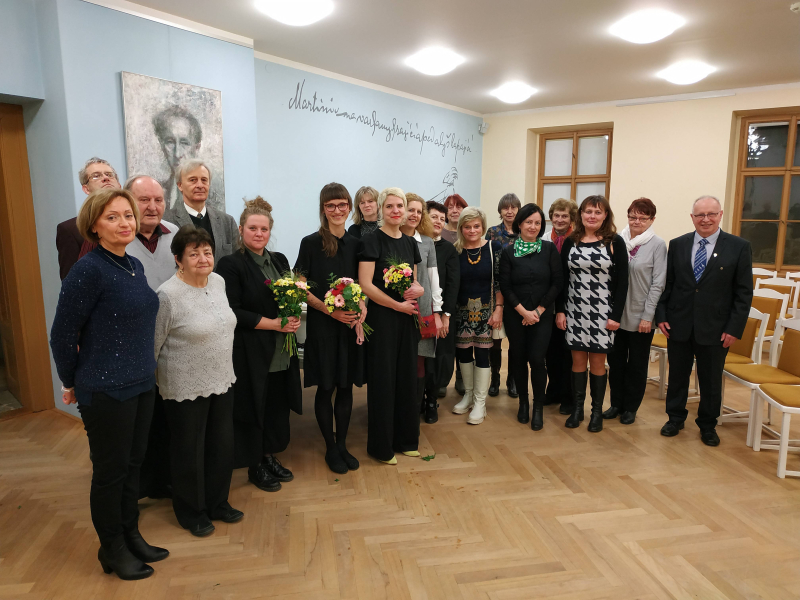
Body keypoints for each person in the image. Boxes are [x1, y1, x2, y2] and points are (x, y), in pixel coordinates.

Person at [50, 188, 167, 580]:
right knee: (110, 473)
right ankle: (111, 548)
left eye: (128, 215)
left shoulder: (132, 264)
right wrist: (70, 380)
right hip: (104, 389)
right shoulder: (88, 270)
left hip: (141, 382)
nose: (124, 223)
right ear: (94, 226)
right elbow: (62, 334)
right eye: (112, 217)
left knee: (133, 466)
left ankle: (131, 534)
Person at [154, 226, 242, 537]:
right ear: (178, 260)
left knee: (221, 445)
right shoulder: (167, 295)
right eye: (194, 254)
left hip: (222, 378)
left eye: (207, 252)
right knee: (188, 451)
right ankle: (191, 512)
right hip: (184, 385)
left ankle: (218, 503)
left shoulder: (218, 282)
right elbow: (154, 344)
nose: (203, 258)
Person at [216, 197, 302, 491]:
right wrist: (275, 324)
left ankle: (268, 456)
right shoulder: (230, 264)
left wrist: (292, 316)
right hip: (251, 350)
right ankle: (254, 465)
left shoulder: (279, 260)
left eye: (264, 229)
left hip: (281, 349)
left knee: (276, 406)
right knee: (254, 406)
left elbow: (290, 297)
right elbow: (232, 311)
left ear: (270, 231)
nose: (258, 233)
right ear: (241, 230)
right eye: (252, 228)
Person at [656, 195, 753, 446]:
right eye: (700, 215)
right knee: (677, 376)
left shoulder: (739, 246)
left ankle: (708, 425)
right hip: (678, 323)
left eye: (711, 214)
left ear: (720, 215)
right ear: (692, 217)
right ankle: (675, 418)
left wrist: (734, 328)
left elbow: (744, 293)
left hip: (716, 328)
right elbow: (669, 284)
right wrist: (661, 315)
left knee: (710, 379)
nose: (705, 219)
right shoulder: (678, 244)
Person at [295, 183, 365, 474]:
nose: (337, 210)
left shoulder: (358, 244)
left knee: (345, 387)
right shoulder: (310, 243)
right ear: (323, 209)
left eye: (342, 204)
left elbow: (363, 285)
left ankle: (343, 444)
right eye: (330, 205)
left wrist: (361, 311)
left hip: (349, 327)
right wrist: (329, 311)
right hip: (323, 327)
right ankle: (330, 447)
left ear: (350, 207)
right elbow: (299, 286)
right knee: (326, 387)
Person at [358, 187, 424, 464]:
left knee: (407, 380)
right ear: (381, 210)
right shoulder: (371, 240)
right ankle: (381, 447)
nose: (396, 211)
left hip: (407, 319)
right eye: (390, 206)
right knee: (384, 381)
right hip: (383, 319)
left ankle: (406, 440)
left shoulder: (410, 244)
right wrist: (397, 305)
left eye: (400, 206)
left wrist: (419, 290)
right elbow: (365, 284)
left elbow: (415, 282)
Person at [556, 195, 628, 433]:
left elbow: (623, 283)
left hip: (602, 312)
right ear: (581, 214)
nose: (592, 216)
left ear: (605, 215)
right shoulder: (571, 241)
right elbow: (562, 280)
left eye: (598, 212)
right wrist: (560, 311)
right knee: (577, 361)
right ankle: (578, 410)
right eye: (588, 211)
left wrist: (615, 316)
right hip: (575, 311)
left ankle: (596, 412)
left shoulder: (615, 242)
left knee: (597, 363)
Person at [499, 204, 562, 430]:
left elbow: (557, 283)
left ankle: (538, 407)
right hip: (515, 315)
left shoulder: (549, 249)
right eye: (529, 222)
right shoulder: (508, 251)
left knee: (537, 359)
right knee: (518, 358)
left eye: (537, 223)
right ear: (520, 224)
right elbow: (505, 286)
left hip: (542, 315)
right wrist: (523, 312)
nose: (533, 227)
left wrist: (538, 311)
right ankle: (523, 403)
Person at [604, 199, 667, 425]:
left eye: (642, 218)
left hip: (641, 315)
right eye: (632, 217)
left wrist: (648, 316)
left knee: (637, 365)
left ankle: (631, 408)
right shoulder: (617, 240)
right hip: (615, 314)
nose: (636, 221)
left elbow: (658, 283)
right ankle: (616, 404)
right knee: (616, 362)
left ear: (652, 220)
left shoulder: (657, 245)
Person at [451, 207, 504, 425]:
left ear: (483, 227)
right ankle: (468, 395)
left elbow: (500, 281)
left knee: (482, 355)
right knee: (463, 354)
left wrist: (499, 308)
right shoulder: (455, 250)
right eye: (467, 226)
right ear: (460, 228)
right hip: (461, 312)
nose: (472, 230)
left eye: (476, 226)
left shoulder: (493, 247)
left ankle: (480, 402)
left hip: (487, 312)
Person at [401, 194, 443, 425]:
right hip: (396, 309)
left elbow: (433, 279)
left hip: (423, 310)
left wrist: (437, 312)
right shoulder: (391, 239)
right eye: (411, 210)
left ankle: (414, 411)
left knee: (420, 361)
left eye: (419, 211)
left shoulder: (427, 242)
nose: (415, 215)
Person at [56, 157, 120, 280]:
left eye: (109, 175)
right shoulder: (70, 229)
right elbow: (70, 282)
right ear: (86, 189)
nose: (105, 178)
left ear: (119, 185)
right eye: (96, 176)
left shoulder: (133, 223)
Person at [163, 159, 239, 261]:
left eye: (204, 180)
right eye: (193, 180)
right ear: (180, 185)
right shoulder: (167, 221)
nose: (200, 185)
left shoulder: (227, 222)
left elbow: (237, 262)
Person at [425, 200, 460, 421]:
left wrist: (446, 315)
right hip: (417, 312)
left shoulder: (448, 249)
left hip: (443, 313)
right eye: (434, 217)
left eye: (442, 218)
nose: (438, 221)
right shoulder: (414, 243)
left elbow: (453, 284)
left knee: (440, 357)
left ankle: (431, 400)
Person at [485, 193, 522, 399]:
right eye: (505, 208)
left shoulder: (523, 232)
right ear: (500, 211)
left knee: (515, 340)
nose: (509, 211)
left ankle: (513, 380)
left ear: (518, 210)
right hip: (495, 292)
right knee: (496, 340)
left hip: (517, 294)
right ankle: (495, 378)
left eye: (513, 207)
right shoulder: (492, 232)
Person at [544, 199, 578, 414]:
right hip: (548, 302)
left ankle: (568, 396)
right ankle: (553, 389)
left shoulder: (577, 240)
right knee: (551, 351)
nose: (559, 219)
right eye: (556, 215)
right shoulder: (545, 239)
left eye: (564, 216)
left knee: (568, 353)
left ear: (572, 218)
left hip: (571, 302)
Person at [153, 105, 202, 208]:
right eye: (170, 142)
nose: (177, 154)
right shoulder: (157, 192)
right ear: (162, 146)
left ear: (196, 148)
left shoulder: (209, 195)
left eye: (184, 143)